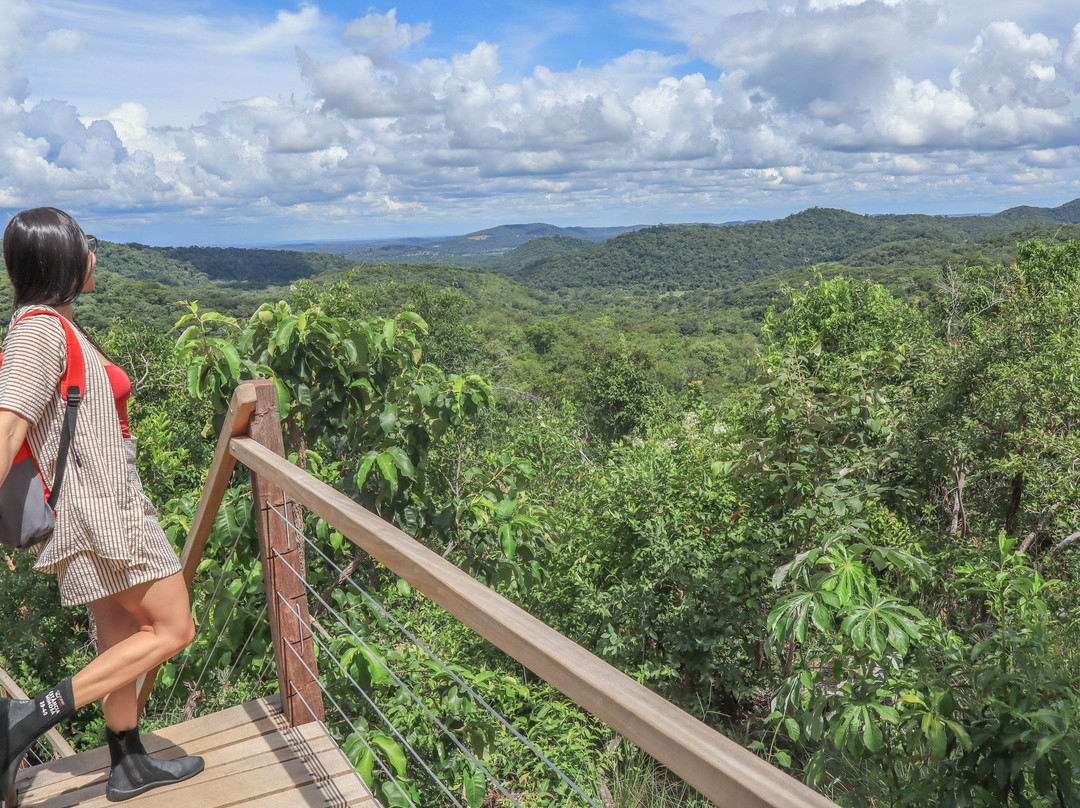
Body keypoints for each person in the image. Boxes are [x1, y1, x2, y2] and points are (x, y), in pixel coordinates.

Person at [0, 207, 204, 805]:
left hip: (95, 509)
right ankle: (24, 720)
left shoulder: (55, 325)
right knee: (173, 627)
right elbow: (8, 426)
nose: (96, 254)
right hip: (103, 514)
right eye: (87, 244)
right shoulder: (38, 329)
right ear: (62, 258)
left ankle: (128, 760)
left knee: (119, 641)